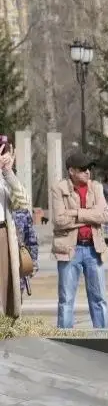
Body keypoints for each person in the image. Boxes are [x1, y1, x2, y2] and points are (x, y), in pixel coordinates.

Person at [51, 152, 108, 330]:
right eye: (83, 169)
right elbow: (59, 220)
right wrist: (91, 216)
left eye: (89, 168)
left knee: (99, 298)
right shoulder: (59, 188)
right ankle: (65, 340)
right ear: (71, 171)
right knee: (66, 299)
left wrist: (76, 213)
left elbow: (105, 216)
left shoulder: (97, 187)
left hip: (94, 249)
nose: (88, 172)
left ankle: (102, 339)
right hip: (70, 250)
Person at [1, 136, 23, 321]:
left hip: (2, 232)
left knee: (4, 285)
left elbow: (22, 203)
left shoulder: (6, 178)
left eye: (6, 153)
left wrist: (8, 172)